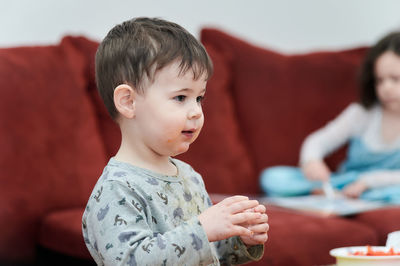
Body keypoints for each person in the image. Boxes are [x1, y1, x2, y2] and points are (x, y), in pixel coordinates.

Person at [82, 17, 269, 266]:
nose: (196, 111)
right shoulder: (117, 189)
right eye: (181, 97)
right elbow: (131, 261)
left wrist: (239, 238)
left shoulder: (189, 176)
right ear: (128, 101)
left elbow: (205, 253)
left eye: (199, 98)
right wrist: (203, 229)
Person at [260, 31, 400, 203]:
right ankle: (334, 194)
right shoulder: (362, 113)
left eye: (395, 79)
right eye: (380, 80)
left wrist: (368, 182)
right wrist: (311, 162)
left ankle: (350, 196)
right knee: (273, 178)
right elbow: (317, 141)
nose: (386, 87)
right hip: (344, 183)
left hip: (386, 188)